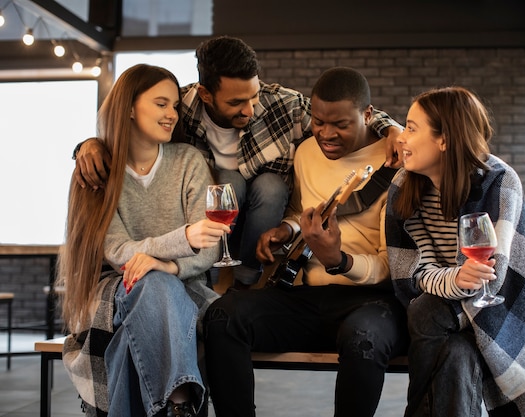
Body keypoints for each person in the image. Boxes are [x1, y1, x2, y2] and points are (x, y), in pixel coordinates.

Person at [73, 36, 402, 290]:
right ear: (205, 94)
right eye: (235, 102)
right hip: (212, 213)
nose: (249, 109)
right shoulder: (179, 110)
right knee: (230, 180)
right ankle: (218, 275)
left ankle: (246, 279)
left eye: (253, 95)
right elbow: (130, 133)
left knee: (270, 185)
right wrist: (87, 145)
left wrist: (392, 129)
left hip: (263, 215)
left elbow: (345, 114)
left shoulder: (280, 103)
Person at [385, 86, 525, 417]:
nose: (401, 137)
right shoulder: (405, 186)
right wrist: (456, 277)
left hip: (501, 306)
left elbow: (493, 274)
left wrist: (458, 280)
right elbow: (410, 274)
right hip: (448, 309)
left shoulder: (498, 181)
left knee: (425, 311)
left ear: (444, 139)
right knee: (454, 351)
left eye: (412, 128)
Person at [203, 67, 408, 417]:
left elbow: (394, 266)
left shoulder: (399, 166)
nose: (326, 134)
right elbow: (302, 210)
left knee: (364, 338)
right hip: (304, 294)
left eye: (340, 125)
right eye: (318, 121)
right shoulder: (307, 152)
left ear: (369, 116)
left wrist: (338, 260)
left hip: (372, 301)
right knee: (222, 316)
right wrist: (285, 229)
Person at [57, 64, 231, 417]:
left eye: (175, 107)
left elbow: (210, 245)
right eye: (161, 104)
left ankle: (175, 407)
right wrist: (182, 240)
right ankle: (181, 401)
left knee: (131, 335)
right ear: (130, 108)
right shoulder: (97, 173)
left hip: (183, 285)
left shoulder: (189, 162)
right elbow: (119, 251)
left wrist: (166, 263)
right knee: (152, 284)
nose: (172, 114)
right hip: (117, 288)